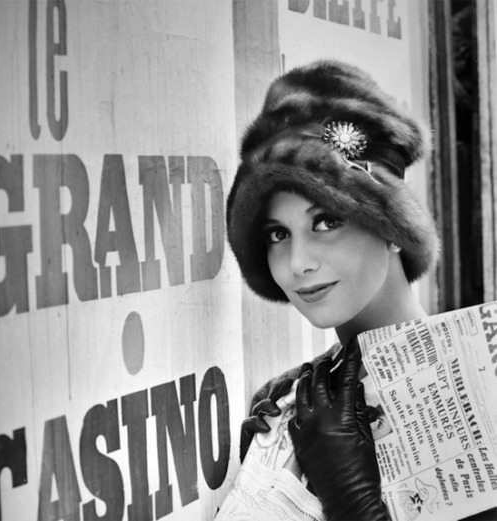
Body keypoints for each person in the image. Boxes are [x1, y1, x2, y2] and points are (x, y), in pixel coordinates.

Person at [221, 60, 440, 520]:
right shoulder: (290, 405)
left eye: (327, 221)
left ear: (393, 227)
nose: (298, 263)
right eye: (277, 234)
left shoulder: (485, 388)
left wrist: (352, 502)